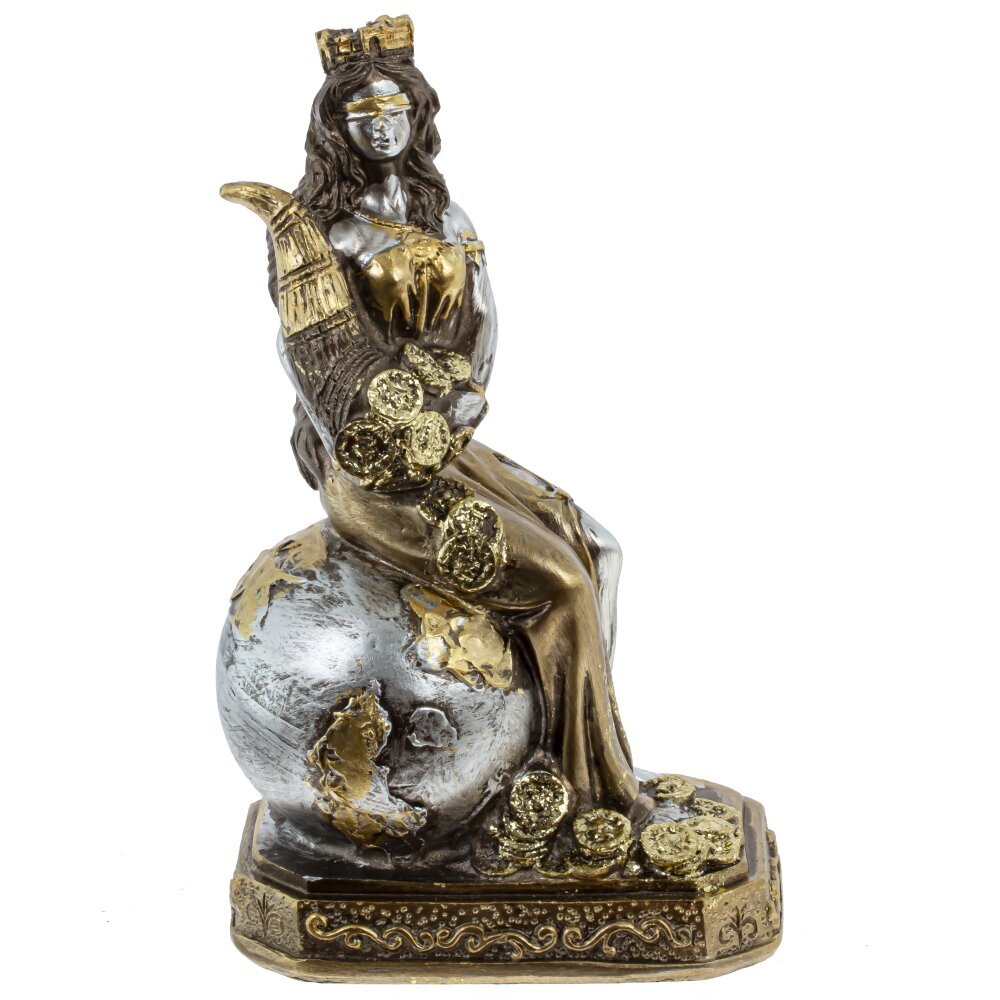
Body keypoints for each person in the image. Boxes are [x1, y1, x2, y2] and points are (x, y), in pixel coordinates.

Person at [275, 49, 643, 815]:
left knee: (599, 550)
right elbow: (305, 357)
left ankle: (571, 758)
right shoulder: (327, 237)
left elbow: (481, 324)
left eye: (396, 109)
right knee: (562, 584)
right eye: (364, 114)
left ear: (419, 116)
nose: (383, 126)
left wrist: (461, 403)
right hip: (372, 468)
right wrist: (377, 432)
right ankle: (581, 795)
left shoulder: (446, 220)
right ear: (335, 128)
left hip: (446, 444)